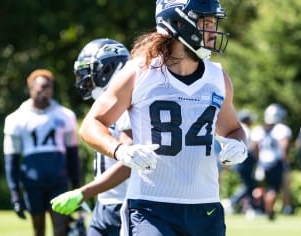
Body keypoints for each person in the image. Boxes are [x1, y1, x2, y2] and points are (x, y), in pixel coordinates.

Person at [79, 0, 248, 235]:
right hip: (151, 207)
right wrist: (120, 151)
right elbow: (92, 124)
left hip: (205, 208)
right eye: (206, 22)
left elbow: (233, 129)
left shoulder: (218, 78)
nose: (213, 31)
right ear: (178, 22)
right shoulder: (139, 72)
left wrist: (239, 144)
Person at [51, 38, 132, 236]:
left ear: (107, 69)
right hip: (105, 204)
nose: (84, 79)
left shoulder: (128, 105)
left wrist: (83, 193)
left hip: (126, 205)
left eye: (88, 71)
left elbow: (129, 162)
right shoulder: (108, 105)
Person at [3, 69, 82, 236]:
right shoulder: (15, 119)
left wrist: (77, 187)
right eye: (41, 87)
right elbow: (12, 159)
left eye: (49, 87)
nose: (45, 91)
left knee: (61, 229)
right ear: (31, 88)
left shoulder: (65, 115)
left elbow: (73, 155)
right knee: (38, 230)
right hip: (33, 182)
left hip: (58, 181)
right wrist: (15, 194)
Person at [251, 103, 292, 221]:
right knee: (273, 189)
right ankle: (269, 211)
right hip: (275, 162)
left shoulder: (259, 129)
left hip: (263, 163)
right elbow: (284, 146)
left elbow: (254, 146)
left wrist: (258, 159)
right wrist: (284, 160)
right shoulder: (282, 129)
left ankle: (264, 209)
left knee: (263, 188)